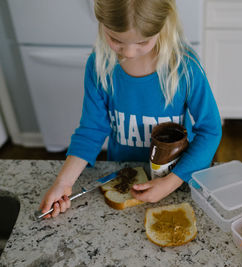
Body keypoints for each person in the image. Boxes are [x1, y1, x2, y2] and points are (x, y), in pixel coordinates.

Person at [39, 0, 222, 219]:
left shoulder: (185, 66)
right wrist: (63, 182)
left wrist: (171, 182)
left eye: (142, 42)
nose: (130, 52)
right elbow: (91, 130)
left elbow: (210, 130)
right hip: (124, 175)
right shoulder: (99, 65)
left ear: (163, 25)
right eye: (116, 39)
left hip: (177, 176)